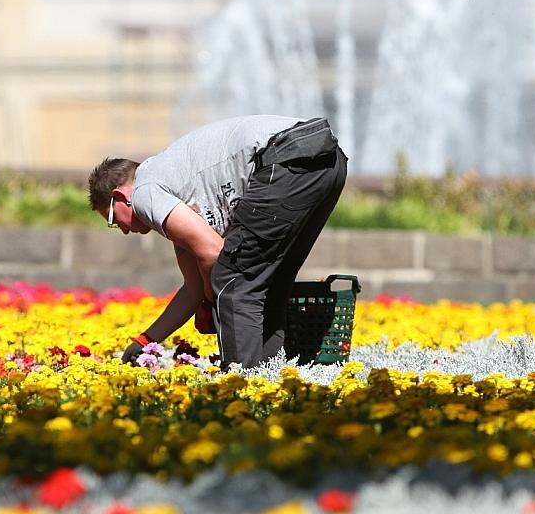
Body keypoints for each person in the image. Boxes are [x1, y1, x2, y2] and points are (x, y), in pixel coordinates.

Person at [88, 115, 347, 370]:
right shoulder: (172, 192)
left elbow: (213, 253)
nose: (122, 230)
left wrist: (213, 301)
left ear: (120, 196)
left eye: (112, 219)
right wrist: (146, 340)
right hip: (325, 158)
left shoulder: (145, 192)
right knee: (270, 282)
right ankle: (271, 378)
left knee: (233, 280)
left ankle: (241, 385)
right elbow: (194, 289)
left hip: (287, 157)